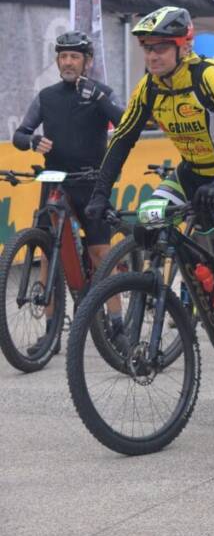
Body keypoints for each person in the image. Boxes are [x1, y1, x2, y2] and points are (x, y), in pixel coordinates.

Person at [85, 6, 214, 401]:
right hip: (192, 173)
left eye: (160, 47)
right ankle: (208, 292)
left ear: (182, 46)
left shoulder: (210, 76)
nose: (152, 55)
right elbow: (121, 140)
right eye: (146, 48)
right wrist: (100, 193)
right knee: (148, 221)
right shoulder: (150, 87)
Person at [13, 31, 125, 354]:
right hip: (56, 183)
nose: (68, 62)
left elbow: (124, 123)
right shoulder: (46, 96)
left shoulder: (101, 93)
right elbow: (21, 134)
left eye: (74, 56)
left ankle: (117, 326)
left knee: (100, 253)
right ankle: (51, 334)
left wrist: (100, 98)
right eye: (63, 56)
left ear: (87, 61)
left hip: (91, 183)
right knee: (48, 253)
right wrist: (33, 141)